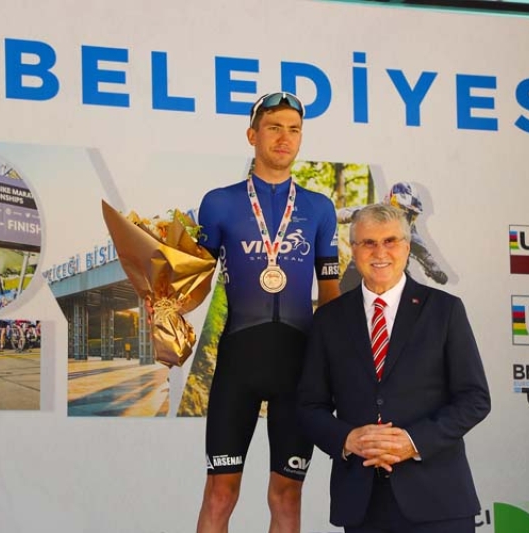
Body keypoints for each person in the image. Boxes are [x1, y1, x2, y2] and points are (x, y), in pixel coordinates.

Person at [194, 91, 341, 533]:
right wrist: (165, 309)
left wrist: (338, 362)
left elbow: (330, 294)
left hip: (300, 368)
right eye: (274, 127)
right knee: (220, 492)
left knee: (287, 495)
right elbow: (194, 282)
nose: (284, 138)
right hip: (239, 362)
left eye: (294, 130)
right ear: (252, 135)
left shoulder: (319, 208)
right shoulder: (219, 203)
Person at [298, 204, 490, 533]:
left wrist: (413, 441)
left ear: (406, 246)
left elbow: (474, 399)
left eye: (390, 241)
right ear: (353, 248)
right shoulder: (328, 320)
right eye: (368, 243)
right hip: (362, 503)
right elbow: (308, 406)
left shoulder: (444, 310)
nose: (380, 252)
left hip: (439, 500)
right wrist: (348, 439)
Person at [338, 182, 449, 293]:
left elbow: (423, 253)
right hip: (363, 266)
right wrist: (356, 215)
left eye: (410, 214)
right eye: (400, 210)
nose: (404, 216)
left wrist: (436, 271)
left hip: (393, 271)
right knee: (345, 291)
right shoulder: (371, 212)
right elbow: (339, 214)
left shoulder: (408, 229)